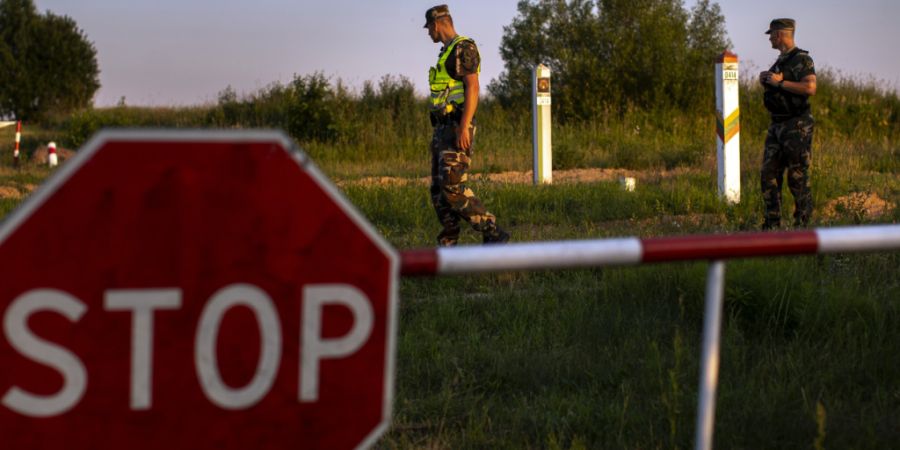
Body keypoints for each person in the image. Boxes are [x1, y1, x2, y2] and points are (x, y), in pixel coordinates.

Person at [424, 5, 509, 246]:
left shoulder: (463, 47)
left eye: (429, 27)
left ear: (438, 23)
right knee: (439, 191)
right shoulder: (446, 52)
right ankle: (448, 243)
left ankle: (492, 231)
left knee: (453, 188)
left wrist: (464, 126)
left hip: (456, 127)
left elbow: (473, 86)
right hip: (442, 129)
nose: (428, 32)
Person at [758, 18, 817, 229]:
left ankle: (804, 226)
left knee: (797, 176)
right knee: (768, 174)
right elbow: (776, 84)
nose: (770, 39)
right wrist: (766, 79)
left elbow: (810, 87)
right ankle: (772, 225)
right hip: (777, 125)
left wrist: (780, 82)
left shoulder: (801, 59)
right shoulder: (780, 60)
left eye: (771, 35)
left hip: (796, 125)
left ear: (780, 35)